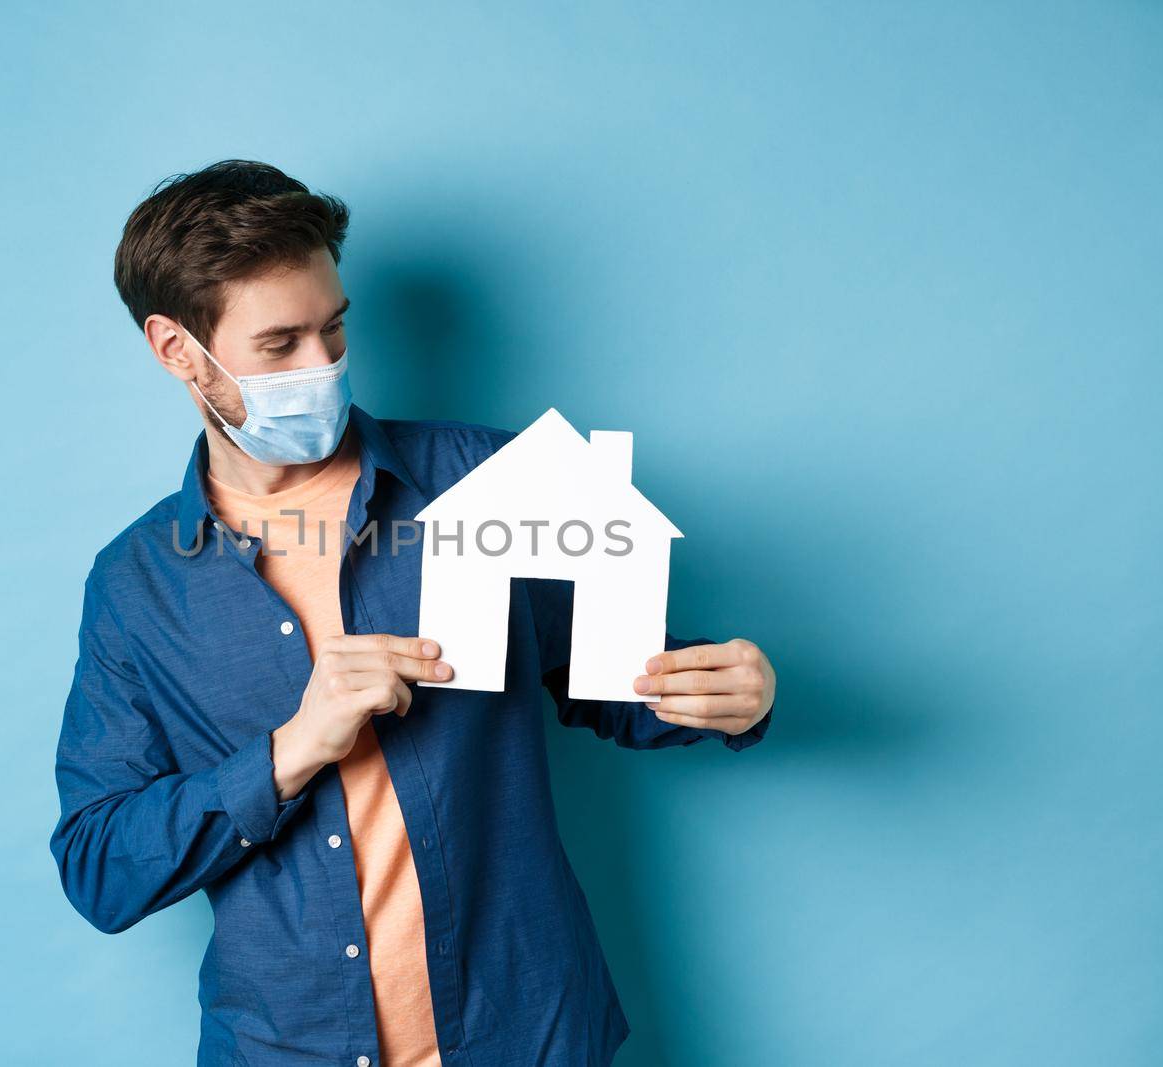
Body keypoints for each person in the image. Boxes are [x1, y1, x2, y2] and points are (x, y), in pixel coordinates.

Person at [49, 159, 777, 1067]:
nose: (323, 366)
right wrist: (289, 750)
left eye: (335, 328)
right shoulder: (136, 586)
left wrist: (729, 691)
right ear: (175, 349)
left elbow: (618, 679)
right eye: (280, 345)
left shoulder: (490, 481)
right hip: (285, 1047)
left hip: (523, 1035)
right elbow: (100, 867)